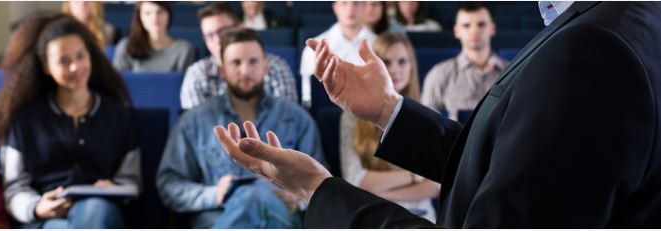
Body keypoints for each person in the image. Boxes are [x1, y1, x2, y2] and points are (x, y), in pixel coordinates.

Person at [214, 1, 661, 228]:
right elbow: (508, 166)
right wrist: (390, 111)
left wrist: (316, 188)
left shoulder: (590, 48)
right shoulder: (615, 21)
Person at [156, 28, 327, 228]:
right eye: (235, 63)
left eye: (253, 62)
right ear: (222, 71)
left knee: (256, 195)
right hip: (218, 215)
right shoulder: (194, 120)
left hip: (281, 214)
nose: (245, 71)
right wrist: (213, 194)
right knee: (249, 197)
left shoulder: (297, 119)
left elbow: (322, 181)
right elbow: (169, 184)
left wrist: (298, 197)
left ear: (266, 67)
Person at [0, 14, 140, 228]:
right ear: (46, 67)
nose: (75, 67)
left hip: (100, 211)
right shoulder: (25, 119)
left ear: (91, 57)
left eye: (80, 56)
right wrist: (37, 207)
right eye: (64, 61)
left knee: (95, 210)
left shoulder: (117, 114)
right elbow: (14, 186)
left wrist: (115, 187)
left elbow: (132, 181)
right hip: (47, 217)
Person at [339, 31, 439, 222]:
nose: (394, 70)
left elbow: (435, 186)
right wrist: (413, 177)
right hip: (373, 215)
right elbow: (356, 180)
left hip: (419, 214)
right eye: (386, 62)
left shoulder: (427, 113)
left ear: (412, 66)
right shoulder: (352, 115)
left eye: (402, 61)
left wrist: (384, 195)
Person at [181, 2, 297, 110]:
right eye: (209, 35)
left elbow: (288, 121)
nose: (217, 40)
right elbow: (198, 127)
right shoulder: (196, 74)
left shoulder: (275, 66)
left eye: (223, 31)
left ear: (241, 28)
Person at [421, 2, 507, 121]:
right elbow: (427, 122)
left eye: (481, 24)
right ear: (457, 31)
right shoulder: (439, 74)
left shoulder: (511, 72)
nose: (474, 30)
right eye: (466, 25)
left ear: (492, 28)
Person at [299, 1, 378, 108]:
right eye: (344, 3)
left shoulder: (379, 45)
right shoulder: (314, 49)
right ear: (335, 7)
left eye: (356, 3)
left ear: (364, 7)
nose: (351, 8)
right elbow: (307, 98)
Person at [112, 1, 195, 72]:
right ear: (140, 17)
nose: (155, 18)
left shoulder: (184, 49)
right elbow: (117, 84)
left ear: (169, 14)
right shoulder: (126, 46)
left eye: (160, 12)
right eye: (148, 13)